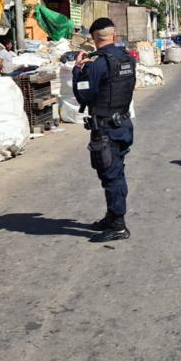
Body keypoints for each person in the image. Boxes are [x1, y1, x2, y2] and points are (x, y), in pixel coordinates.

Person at [72, 17, 136, 243]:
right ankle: (112, 217)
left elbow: (83, 94)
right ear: (114, 35)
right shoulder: (127, 58)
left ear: (93, 38)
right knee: (116, 171)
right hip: (123, 124)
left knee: (111, 175)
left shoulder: (98, 63)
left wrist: (78, 70)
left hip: (107, 128)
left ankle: (118, 225)